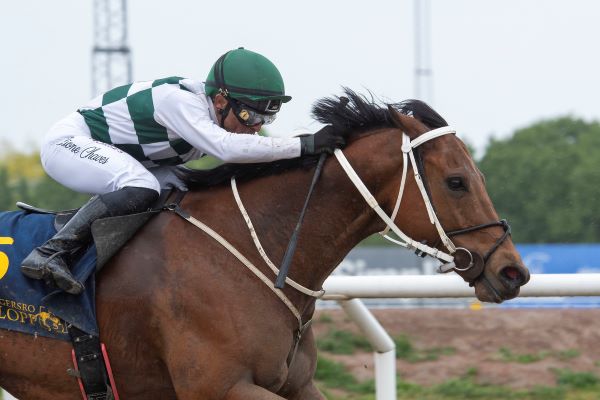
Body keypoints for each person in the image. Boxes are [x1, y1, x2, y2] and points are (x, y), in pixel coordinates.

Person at [20, 47, 345, 295]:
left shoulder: (215, 115)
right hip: (68, 144)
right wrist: (304, 145)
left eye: (266, 119)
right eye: (250, 116)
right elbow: (227, 149)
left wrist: (317, 148)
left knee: (188, 192)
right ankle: (49, 253)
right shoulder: (180, 103)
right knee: (142, 185)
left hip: (123, 157)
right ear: (220, 101)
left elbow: (248, 151)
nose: (256, 127)